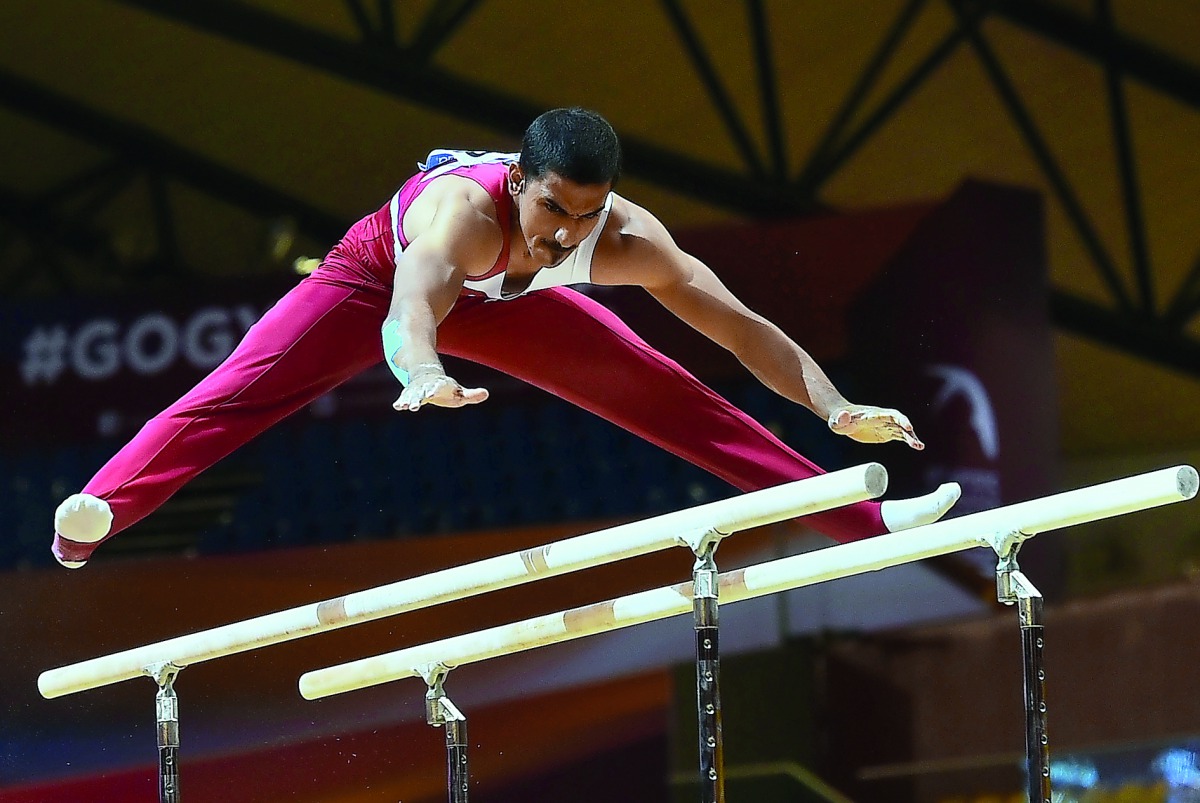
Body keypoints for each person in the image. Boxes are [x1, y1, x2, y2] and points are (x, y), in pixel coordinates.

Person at [52, 108, 959, 569]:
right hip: (377, 277)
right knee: (243, 387)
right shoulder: (460, 215)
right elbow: (408, 310)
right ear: (516, 181)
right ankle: (98, 515)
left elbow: (737, 328)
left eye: (587, 216)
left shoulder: (628, 240)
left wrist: (834, 405)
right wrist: (421, 369)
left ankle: (862, 517)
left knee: (667, 394)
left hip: (510, 307)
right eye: (552, 208)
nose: (567, 235)